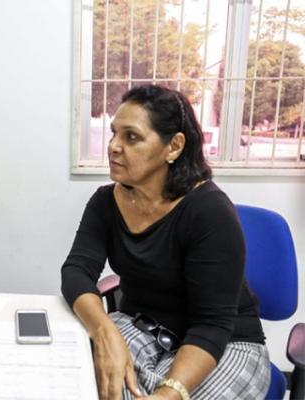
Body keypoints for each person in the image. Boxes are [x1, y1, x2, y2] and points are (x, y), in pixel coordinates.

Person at [61, 85, 270, 400]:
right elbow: (76, 271)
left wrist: (170, 391)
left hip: (223, 343)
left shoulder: (208, 210)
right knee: (93, 387)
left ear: (173, 146)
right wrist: (105, 332)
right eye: (114, 133)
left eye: (131, 137)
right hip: (142, 326)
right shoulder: (105, 202)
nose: (114, 146)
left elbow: (211, 325)